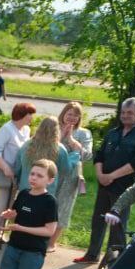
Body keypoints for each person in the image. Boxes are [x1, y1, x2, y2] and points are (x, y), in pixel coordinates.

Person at [78, 97, 135, 264]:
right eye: (123, 112)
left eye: (130, 113)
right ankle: (92, 255)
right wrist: (100, 175)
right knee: (98, 220)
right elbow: (100, 155)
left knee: (117, 225)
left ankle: (114, 263)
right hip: (103, 185)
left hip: (124, 188)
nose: (125, 116)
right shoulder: (113, 132)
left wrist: (111, 176)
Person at [0, 102, 37, 237]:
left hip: (17, 173)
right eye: (30, 114)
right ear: (22, 115)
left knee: (9, 205)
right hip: (3, 172)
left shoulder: (26, 130)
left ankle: (0, 232)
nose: (32, 117)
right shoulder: (6, 129)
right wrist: (5, 167)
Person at [51, 101, 91, 251]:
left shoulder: (84, 133)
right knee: (46, 203)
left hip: (71, 175)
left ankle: (51, 242)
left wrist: (72, 141)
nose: (72, 117)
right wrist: (61, 135)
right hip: (52, 171)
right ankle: (39, 238)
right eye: (69, 114)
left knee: (64, 206)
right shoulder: (55, 127)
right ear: (63, 114)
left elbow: (87, 155)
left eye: (76, 115)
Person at [13, 115, 70, 197]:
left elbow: (18, 167)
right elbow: (65, 169)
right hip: (46, 191)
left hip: (25, 189)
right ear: (57, 130)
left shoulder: (26, 145)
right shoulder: (59, 149)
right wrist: (74, 156)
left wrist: (17, 180)